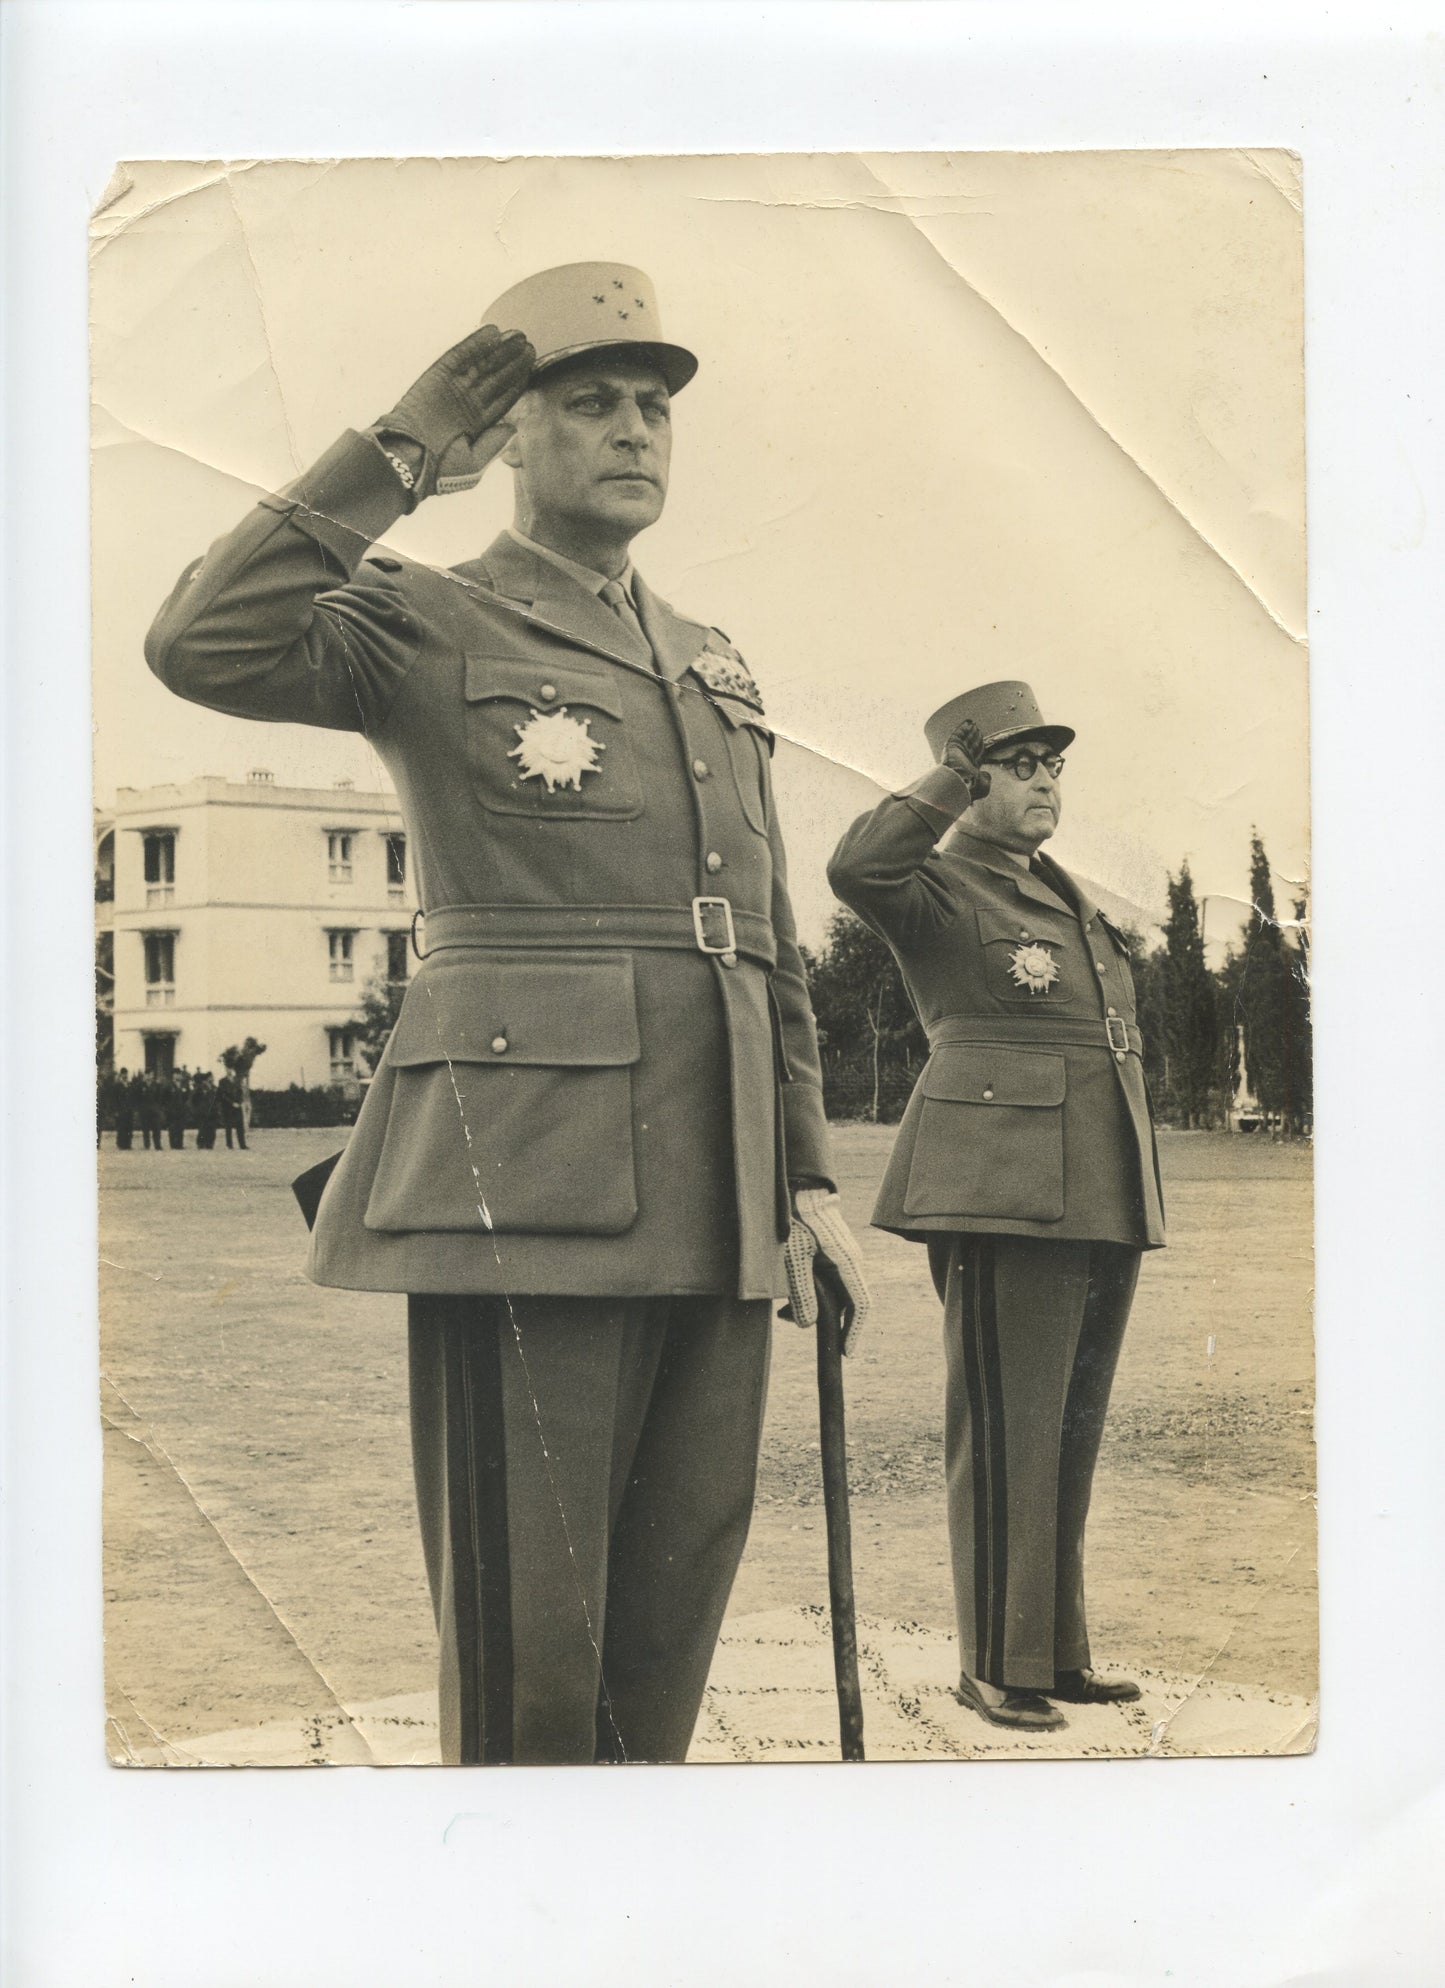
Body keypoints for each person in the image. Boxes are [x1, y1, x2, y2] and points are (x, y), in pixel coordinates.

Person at [146, 261, 869, 1766]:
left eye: (655, 408)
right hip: (528, 1168)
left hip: (722, 1176)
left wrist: (806, 1168)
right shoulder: (428, 616)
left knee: (675, 1598)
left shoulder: (711, 657)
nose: (633, 432)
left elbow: (768, 934)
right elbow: (202, 641)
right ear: (514, 437)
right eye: (589, 402)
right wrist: (402, 449)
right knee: (531, 1631)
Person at [828, 681, 1164, 1732]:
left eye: (1050, 765)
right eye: (1016, 767)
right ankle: (990, 1662)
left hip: (1095, 1181)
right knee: (1007, 1429)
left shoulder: (1061, 894)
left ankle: (1051, 1651)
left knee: (1064, 1431)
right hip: (1001, 1185)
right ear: (970, 780)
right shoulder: (936, 885)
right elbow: (855, 865)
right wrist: (949, 779)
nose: (1043, 783)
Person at [216, 1072, 247, 1150]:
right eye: (228, 1068)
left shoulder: (237, 1080)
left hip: (238, 1107)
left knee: (240, 1126)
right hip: (228, 1107)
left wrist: (239, 1102)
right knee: (228, 1126)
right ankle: (229, 1145)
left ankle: (242, 1145)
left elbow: (240, 1092)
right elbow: (222, 1095)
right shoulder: (222, 1081)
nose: (229, 1070)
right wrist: (232, 1103)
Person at [112, 1068, 135, 1151]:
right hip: (121, 1110)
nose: (125, 1075)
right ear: (121, 1075)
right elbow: (114, 1099)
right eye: (123, 1074)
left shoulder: (129, 1084)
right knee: (121, 1127)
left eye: (126, 1073)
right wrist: (115, 1111)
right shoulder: (117, 1085)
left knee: (129, 1127)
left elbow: (132, 1097)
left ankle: (128, 1144)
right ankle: (121, 1144)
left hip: (129, 1110)